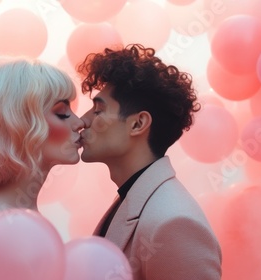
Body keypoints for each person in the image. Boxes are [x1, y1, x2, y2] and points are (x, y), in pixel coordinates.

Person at [77, 44, 222, 279]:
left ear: (137, 124)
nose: (83, 120)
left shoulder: (174, 222)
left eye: (98, 110)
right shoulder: (136, 198)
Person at [0, 57, 84, 236]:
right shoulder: (2, 225)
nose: (79, 122)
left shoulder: (14, 214)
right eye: (61, 113)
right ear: (20, 126)